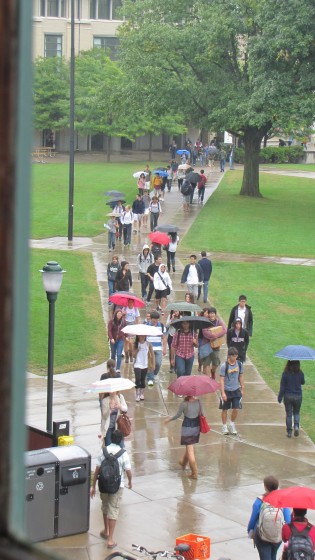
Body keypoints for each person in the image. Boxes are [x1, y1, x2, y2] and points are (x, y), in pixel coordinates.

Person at [90, 430, 132, 549]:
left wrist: (93, 486)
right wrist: (130, 481)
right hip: (117, 486)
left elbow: (97, 470)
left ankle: (106, 530)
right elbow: (128, 470)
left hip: (103, 484)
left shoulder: (103, 451)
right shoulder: (123, 453)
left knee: (105, 507)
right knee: (113, 510)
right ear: (121, 440)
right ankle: (110, 540)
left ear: (111, 438)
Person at [247, 475, 291, 560]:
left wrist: (250, 531)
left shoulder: (259, 501)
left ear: (265, 486)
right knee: (273, 555)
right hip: (277, 536)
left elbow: (252, 520)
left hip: (262, 536)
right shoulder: (282, 500)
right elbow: (288, 520)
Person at [164, 395, 203, 479]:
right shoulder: (199, 402)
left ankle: (194, 472)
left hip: (187, 427)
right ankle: (183, 462)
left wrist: (169, 419)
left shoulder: (184, 404)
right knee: (189, 446)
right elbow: (202, 414)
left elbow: (177, 415)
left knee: (190, 450)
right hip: (196, 427)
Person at [219, 347, 244, 435]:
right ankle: (224, 426)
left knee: (236, 408)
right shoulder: (224, 366)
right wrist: (223, 393)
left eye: (236, 356)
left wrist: (242, 388)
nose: (235, 357)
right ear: (229, 356)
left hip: (236, 390)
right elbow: (221, 379)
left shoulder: (239, 364)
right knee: (225, 409)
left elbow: (240, 376)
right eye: (233, 356)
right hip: (226, 390)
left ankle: (232, 423)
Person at [278, 360, 305, 438]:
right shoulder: (300, 373)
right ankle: (296, 426)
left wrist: (280, 397)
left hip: (288, 396)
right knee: (296, 412)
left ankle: (289, 432)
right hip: (298, 396)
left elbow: (282, 387)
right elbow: (303, 382)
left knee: (289, 414)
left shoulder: (285, 374)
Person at [200, 307, 227, 378]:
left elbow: (224, 330)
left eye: (213, 313)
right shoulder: (205, 322)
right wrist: (213, 335)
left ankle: (213, 371)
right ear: (208, 314)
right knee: (207, 363)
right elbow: (205, 333)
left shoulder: (219, 322)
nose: (212, 315)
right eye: (210, 313)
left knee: (216, 363)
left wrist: (216, 335)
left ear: (215, 314)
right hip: (206, 346)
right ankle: (208, 379)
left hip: (216, 347)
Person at [146, 311, 167, 386]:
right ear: (150, 319)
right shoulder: (146, 326)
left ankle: (154, 374)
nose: (155, 322)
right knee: (151, 363)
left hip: (158, 348)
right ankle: (150, 378)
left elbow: (164, 338)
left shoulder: (161, 326)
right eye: (154, 320)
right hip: (149, 348)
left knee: (158, 363)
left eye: (157, 320)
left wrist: (164, 348)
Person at [133, 334, 155, 401]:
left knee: (142, 380)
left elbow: (152, 354)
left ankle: (142, 393)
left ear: (145, 336)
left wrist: (153, 364)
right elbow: (133, 355)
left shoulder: (148, 344)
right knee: (138, 379)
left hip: (145, 365)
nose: (142, 337)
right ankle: (137, 394)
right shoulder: (136, 344)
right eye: (140, 336)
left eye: (143, 336)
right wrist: (137, 350)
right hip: (137, 364)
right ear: (138, 336)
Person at [121, 299, 140, 363]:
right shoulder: (125, 308)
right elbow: (120, 317)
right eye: (129, 302)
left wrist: (138, 327)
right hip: (126, 325)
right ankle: (126, 356)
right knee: (126, 342)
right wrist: (123, 314)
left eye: (132, 302)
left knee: (131, 343)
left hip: (133, 326)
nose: (130, 303)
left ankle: (131, 355)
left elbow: (138, 318)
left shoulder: (135, 309)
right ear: (128, 302)